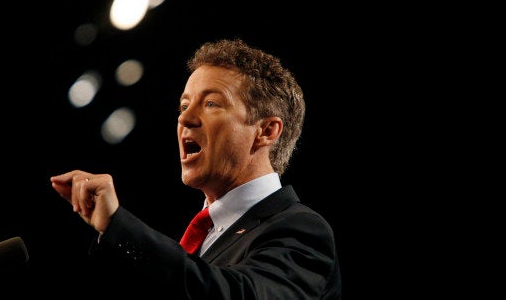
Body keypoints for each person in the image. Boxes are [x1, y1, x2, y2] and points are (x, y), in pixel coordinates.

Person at [50, 38, 341, 299]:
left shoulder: (299, 228)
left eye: (212, 103)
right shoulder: (204, 237)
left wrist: (120, 226)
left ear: (265, 131)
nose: (185, 118)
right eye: (184, 105)